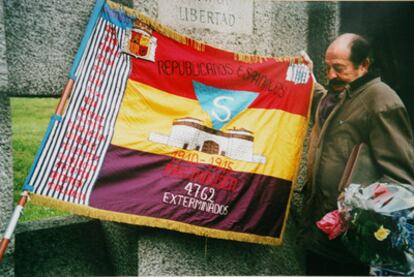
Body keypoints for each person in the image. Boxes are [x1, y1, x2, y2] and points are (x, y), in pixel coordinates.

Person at [298, 33, 414, 276]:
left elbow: (400, 181)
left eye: (338, 68)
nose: (330, 75)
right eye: (327, 67)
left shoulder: (381, 100)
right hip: (320, 233)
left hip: (351, 246)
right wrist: (308, 77)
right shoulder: (346, 92)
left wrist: (354, 214)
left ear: (364, 65)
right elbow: (325, 103)